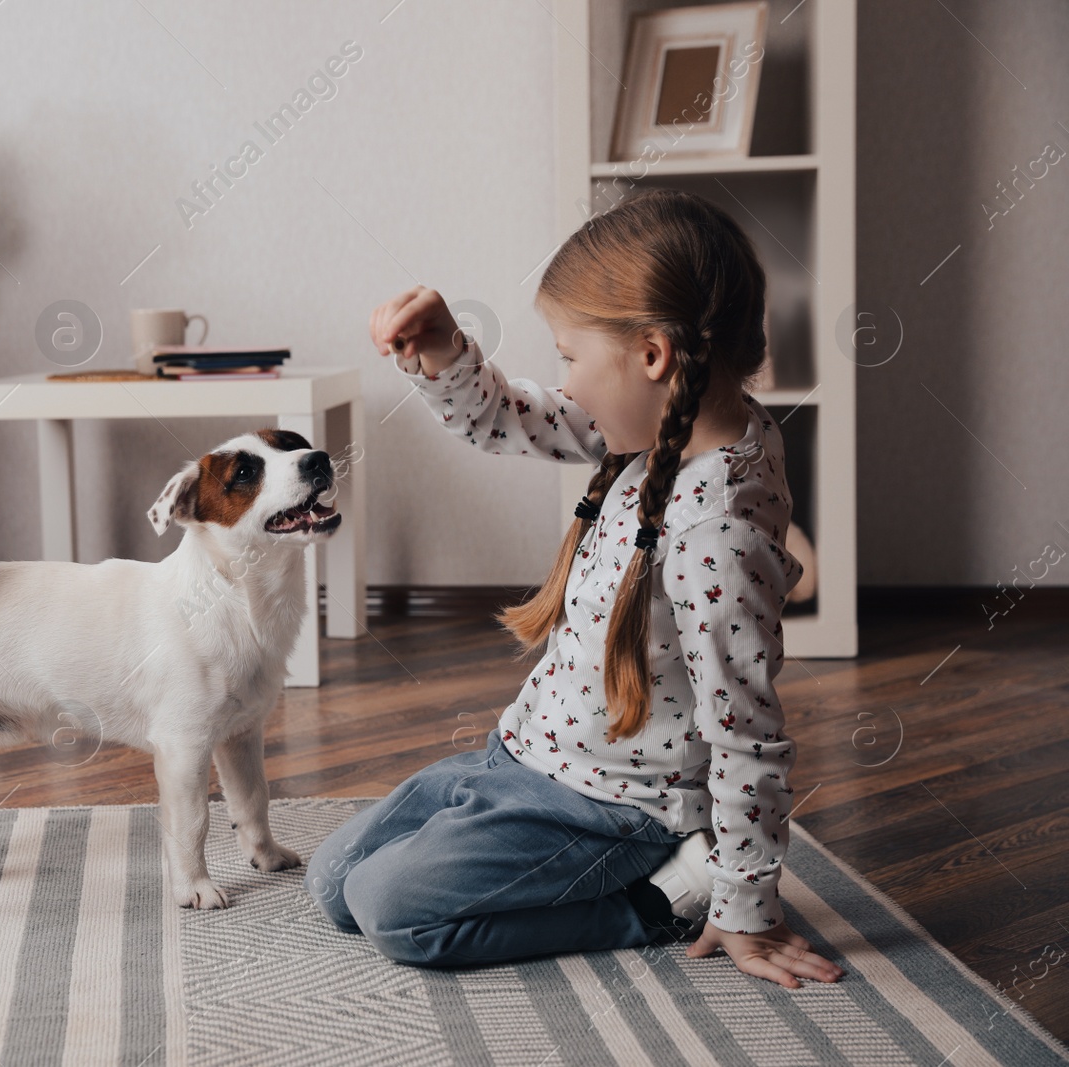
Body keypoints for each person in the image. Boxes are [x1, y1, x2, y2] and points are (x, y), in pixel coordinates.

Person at [305, 188, 845, 989]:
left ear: (654, 355)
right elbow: (510, 418)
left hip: (614, 808)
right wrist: (447, 351)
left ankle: (665, 897)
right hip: (524, 752)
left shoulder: (716, 534)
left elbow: (749, 734)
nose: (567, 384)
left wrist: (745, 901)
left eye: (569, 356)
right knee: (334, 880)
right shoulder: (673, 415)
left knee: (392, 909)